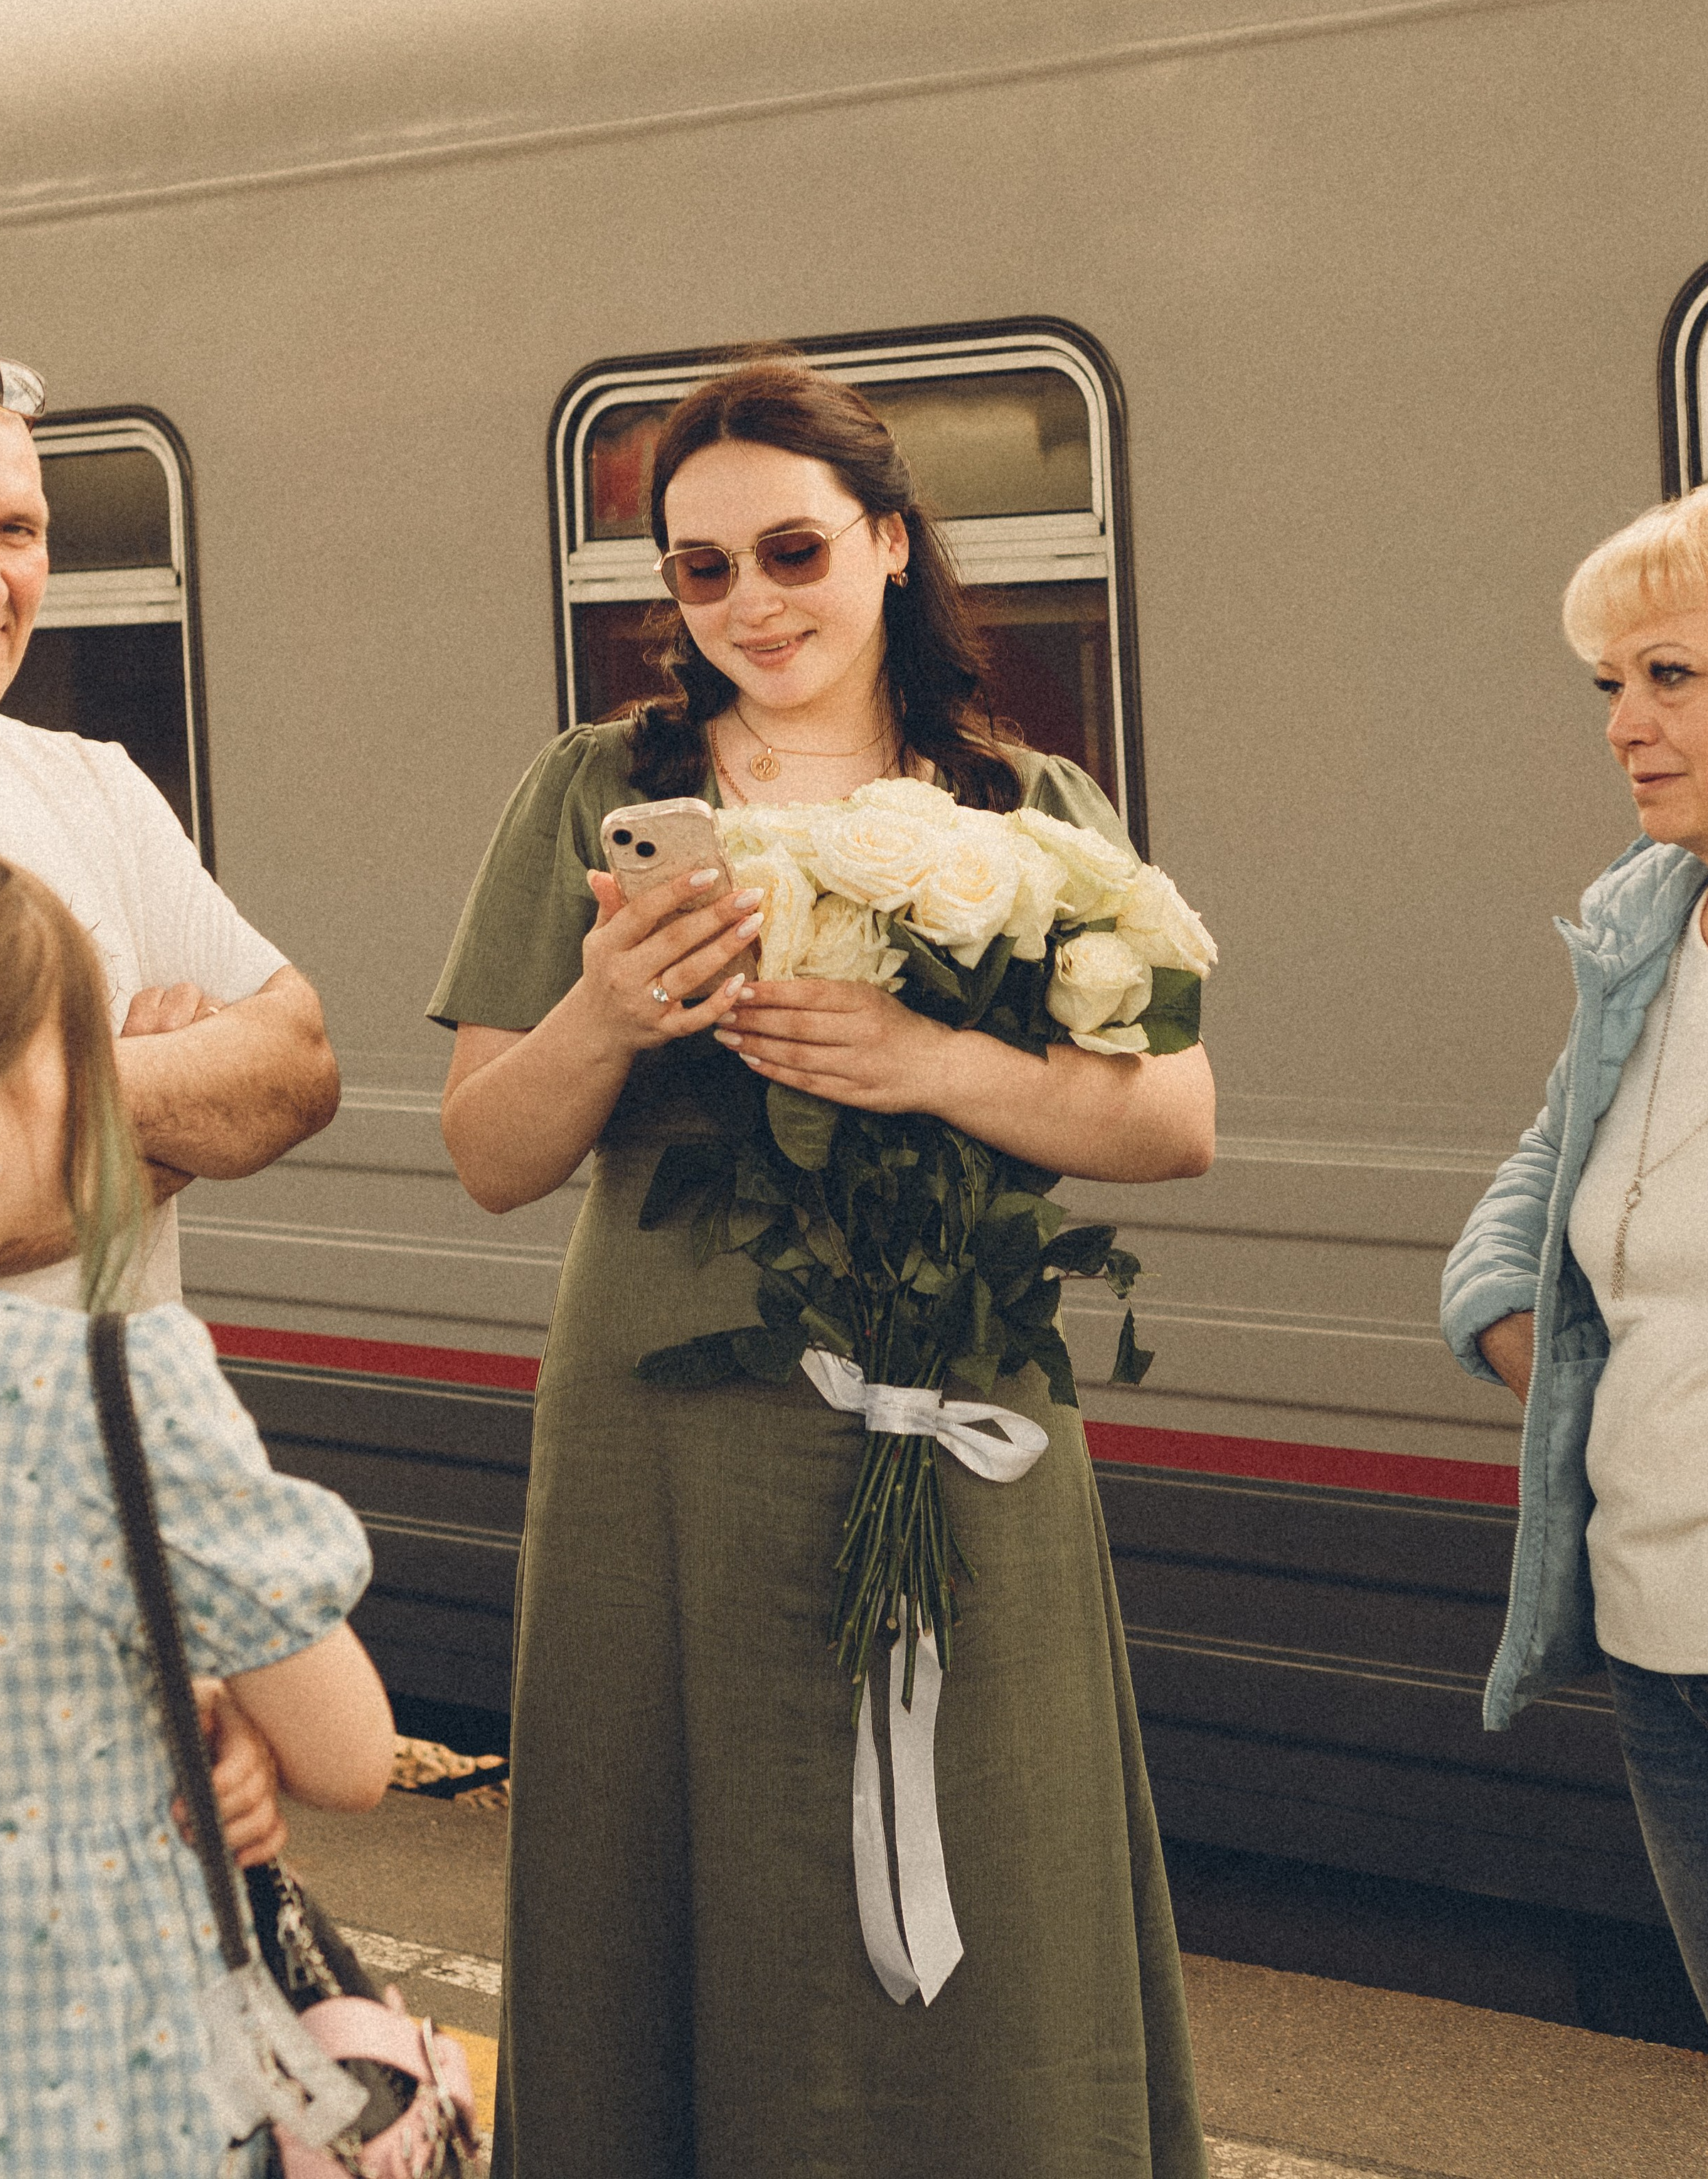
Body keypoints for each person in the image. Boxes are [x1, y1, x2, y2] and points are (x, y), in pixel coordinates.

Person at [433, 356, 1218, 2179]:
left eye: (791, 548)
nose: (751, 603)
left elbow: (1171, 1119)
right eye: (699, 571)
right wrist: (609, 1009)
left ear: (885, 542)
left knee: (993, 1842)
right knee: (676, 1860)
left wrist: (933, 1063)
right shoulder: (593, 794)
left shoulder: (1029, 806)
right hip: (663, 1434)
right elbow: (489, 1153)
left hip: (963, 1397)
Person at [1442, 472, 1708, 2178]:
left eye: (1668, 678)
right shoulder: (1647, 933)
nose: (1622, 725)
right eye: (1608, 685)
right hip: (1676, 1658)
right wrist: (1539, 1339)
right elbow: (1534, 1193)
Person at [0, 853, 395, 2175]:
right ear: (38, 1112)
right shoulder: (102, 1400)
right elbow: (348, 1754)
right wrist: (201, 1690)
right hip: (99, 2100)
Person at [0, 366, 339, 1303]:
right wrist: (170, 1123)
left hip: (119, 1450)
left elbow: (302, 1063)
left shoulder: (94, 787)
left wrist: (67, 1103)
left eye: (15, 531)